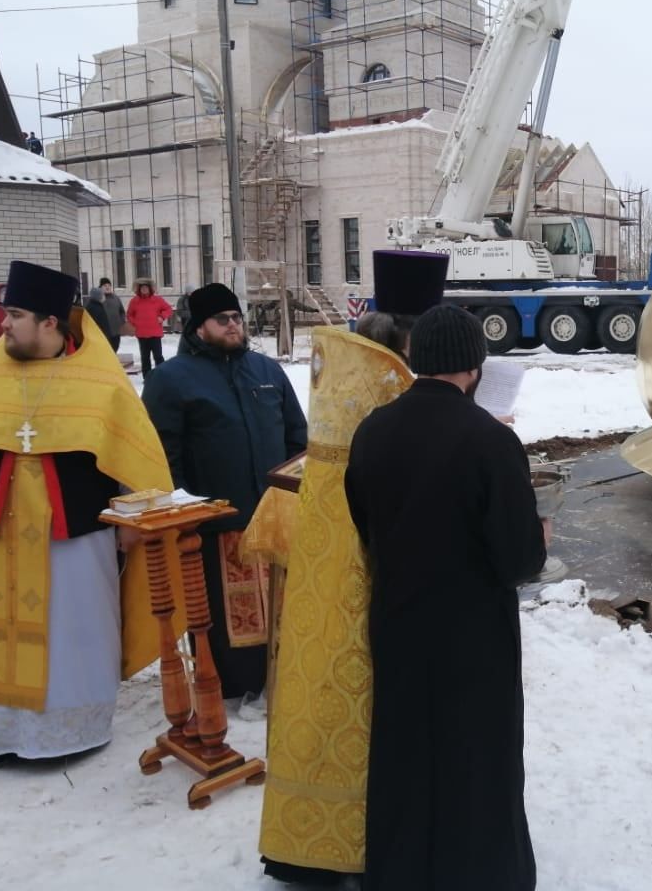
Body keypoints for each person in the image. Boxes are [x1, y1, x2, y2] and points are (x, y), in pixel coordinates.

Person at [0, 260, 176, 769]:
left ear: (49, 323)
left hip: (76, 538)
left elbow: (135, 458)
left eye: (15, 314)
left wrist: (133, 522)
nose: (4, 323)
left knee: (74, 633)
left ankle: (69, 732)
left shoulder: (100, 384)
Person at [258, 249, 449, 887]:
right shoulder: (390, 381)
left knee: (327, 694)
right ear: (409, 332)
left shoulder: (344, 365)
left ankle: (308, 839)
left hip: (332, 558)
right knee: (370, 698)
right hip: (372, 560)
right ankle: (366, 838)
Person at [345, 303, 548, 891]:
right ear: (474, 367)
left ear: (416, 360)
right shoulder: (490, 440)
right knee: (476, 752)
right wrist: (538, 537)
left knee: (405, 747)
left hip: (400, 619)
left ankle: (400, 868)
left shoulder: (373, 430)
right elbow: (517, 559)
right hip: (472, 633)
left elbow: (366, 524)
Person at [142, 283, 307, 701]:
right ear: (199, 327)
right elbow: (164, 454)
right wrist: (186, 509)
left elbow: (296, 435)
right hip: (216, 522)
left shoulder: (266, 371)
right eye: (222, 319)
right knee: (231, 617)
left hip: (273, 514)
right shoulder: (170, 379)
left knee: (282, 608)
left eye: (237, 318)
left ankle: (283, 677)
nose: (233, 325)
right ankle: (238, 688)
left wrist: (293, 489)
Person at [127, 279, 174, 375]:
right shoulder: (134, 301)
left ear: (150, 289)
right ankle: (147, 376)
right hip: (142, 334)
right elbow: (129, 315)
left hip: (155, 333)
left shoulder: (157, 300)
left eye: (146, 287)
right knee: (145, 357)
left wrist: (162, 317)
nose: (144, 289)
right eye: (142, 288)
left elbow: (168, 309)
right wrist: (135, 322)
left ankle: (162, 375)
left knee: (158, 356)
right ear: (139, 289)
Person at [96, 277, 125, 351]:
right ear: (100, 287)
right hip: (102, 332)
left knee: (114, 350)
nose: (107, 287)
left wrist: (120, 321)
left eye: (109, 285)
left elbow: (122, 311)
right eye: (105, 285)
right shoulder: (97, 299)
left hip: (115, 332)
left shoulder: (115, 298)